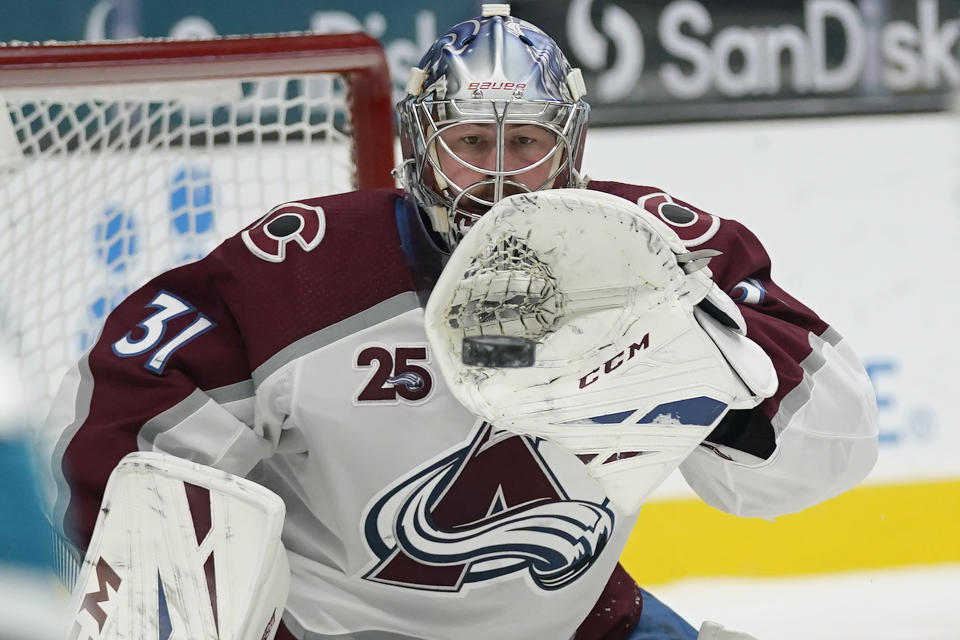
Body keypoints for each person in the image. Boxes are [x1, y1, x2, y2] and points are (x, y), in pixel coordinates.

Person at [38, 5, 878, 640]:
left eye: (527, 144)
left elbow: (829, 450)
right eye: (472, 141)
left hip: (577, 624)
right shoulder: (302, 272)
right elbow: (133, 430)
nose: (499, 177)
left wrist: (720, 383)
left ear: (573, 146)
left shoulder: (656, 253)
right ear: (419, 142)